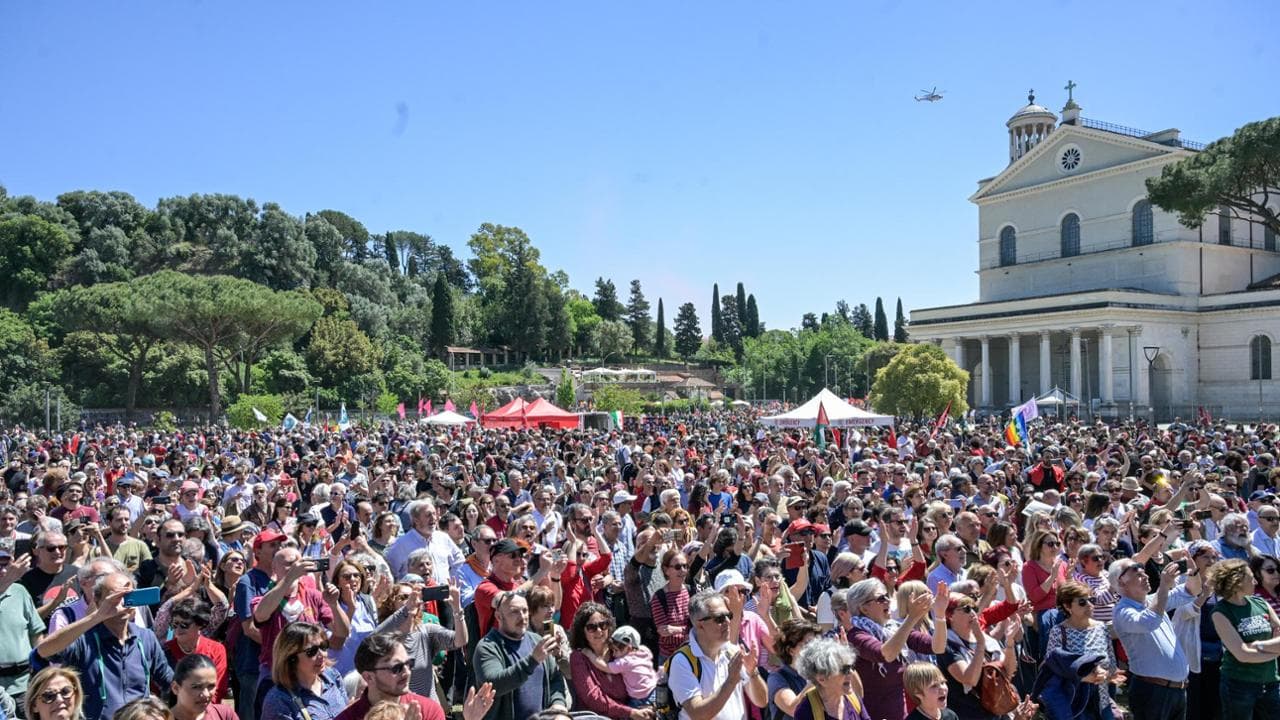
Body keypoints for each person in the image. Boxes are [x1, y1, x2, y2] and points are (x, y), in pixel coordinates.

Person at [32, 571, 174, 720]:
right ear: (98, 601)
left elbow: (169, 681)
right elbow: (44, 651)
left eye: (128, 596)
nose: (122, 603)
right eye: (115, 597)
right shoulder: (84, 640)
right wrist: (97, 616)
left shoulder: (146, 637)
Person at [845, 579, 949, 720]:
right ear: (864, 609)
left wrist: (940, 615)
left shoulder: (892, 629)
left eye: (887, 596)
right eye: (881, 598)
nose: (888, 600)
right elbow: (885, 654)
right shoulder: (855, 636)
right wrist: (911, 618)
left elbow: (937, 647)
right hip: (870, 715)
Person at [665, 590, 767, 720]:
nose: (728, 622)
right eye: (719, 618)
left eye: (729, 616)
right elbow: (698, 714)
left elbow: (762, 701)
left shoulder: (732, 651)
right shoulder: (682, 661)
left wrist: (753, 672)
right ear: (699, 624)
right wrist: (731, 681)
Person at [1110, 559, 1189, 720]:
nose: (1145, 576)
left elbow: (1189, 591)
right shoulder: (1122, 611)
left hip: (1176, 690)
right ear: (1121, 582)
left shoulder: (1153, 601)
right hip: (1152, 691)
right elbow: (1149, 621)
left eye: (1144, 572)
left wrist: (1194, 574)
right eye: (1137, 574)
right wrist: (1164, 587)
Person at [472, 589, 569, 720]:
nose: (522, 616)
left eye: (524, 610)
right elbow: (493, 685)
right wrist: (533, 660)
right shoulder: (487, 647)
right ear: (499, 617)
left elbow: (555, 678)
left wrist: (558, 704)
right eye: (514, 612)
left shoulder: (537, 641)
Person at [1208, 558, 1280, 718]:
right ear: (1237, 582)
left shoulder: (1260, 603)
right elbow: (1242, 655)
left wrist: (1258, 645)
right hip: (1238, 686)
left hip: (1270, 682)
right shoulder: (1220, 612)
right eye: (1250, 577)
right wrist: (1275, 652)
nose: (1255, 581)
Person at [1042, 582, 1122, 720]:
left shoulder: (1102, 628)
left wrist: (1106, 674)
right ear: (1067, 606)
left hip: (1101, 703)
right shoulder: (1059, 632)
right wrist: (1083, 677)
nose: (1090, 605)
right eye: (1082, 602)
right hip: (1074, 704)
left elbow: (1112, 665)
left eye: (1092, 600)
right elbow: (1051, 668)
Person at [334, 632, 448, 720]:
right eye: (396, 668)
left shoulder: (428, 711)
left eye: (409, 664)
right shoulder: (347, 717)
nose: (407, 672)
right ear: (368, 677)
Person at [567, 602, 642, 720]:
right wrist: (630, 712)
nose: (598, 630)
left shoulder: (619, 651)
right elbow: (593, 698)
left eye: (603, 625)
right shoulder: (578, 658)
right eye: (591, 627)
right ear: (582, 631)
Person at [260, 622, 349, 720]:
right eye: (312, 651)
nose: (322, 655)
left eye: (324, 646)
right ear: (291, 658)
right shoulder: (278, 700)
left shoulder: (333, 676)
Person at [163, 597, 229, 704]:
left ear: (200, 625)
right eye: (174, 624)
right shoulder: (165, 650)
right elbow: (156, 688)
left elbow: (219, 688)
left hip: (206, 708)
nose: (178, 629)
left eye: (184, 625)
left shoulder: (216, 650)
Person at [791, 637, 870, 720]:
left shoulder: (853, 700)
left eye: (851, 667)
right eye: (844, 669)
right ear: (822, 679)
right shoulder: (806, 712)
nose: (851, 672)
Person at [578, 626, 656, 708]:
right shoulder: (644, 651)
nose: (614, 654)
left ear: (628, 648)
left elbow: (605, 667)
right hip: (653, 690)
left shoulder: (625, 662)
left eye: (616, 650)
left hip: (639, 697)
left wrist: (590, 655)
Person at [768, 619, 824, 719]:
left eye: (816, 644)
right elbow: (794, 709)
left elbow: (858, 693)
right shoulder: (776, 678)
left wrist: (845, 664)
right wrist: (817, 678)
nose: (814, 648)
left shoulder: (817, 673)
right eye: (808, 644)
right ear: (791, 650)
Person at [170, 653, 238, 720]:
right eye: (196, 687)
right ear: (176, 688)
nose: (206, 694)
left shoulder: (224, 715)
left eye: (211, 686)